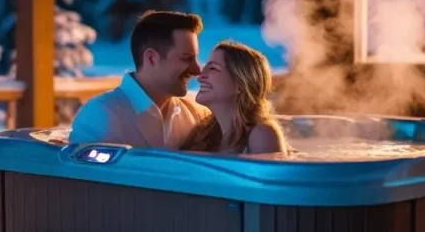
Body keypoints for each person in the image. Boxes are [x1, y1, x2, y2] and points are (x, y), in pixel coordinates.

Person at [68, 10, 211, 148]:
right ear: (151, 58)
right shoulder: (100, 116)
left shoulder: (196, 113)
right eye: (187, 58)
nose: (197, 70)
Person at [180, 40, 288, 156]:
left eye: (213, 68)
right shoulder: (202, 133)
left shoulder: (261, 134)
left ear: (240, 84)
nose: (200, 77)